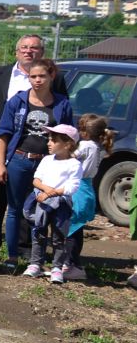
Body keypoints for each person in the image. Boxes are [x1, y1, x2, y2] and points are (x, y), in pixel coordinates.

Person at [0, 35, 63, 255]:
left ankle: (23, 245)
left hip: (34, 149)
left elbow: (61, 113)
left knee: (27, 198)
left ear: (41, 53)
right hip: (0, 144)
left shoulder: (53, 79)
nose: (28, 51)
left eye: (34, 48)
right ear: (17, 52)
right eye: (24, 48)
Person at [0, 58, 74, 267]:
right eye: (33, 76)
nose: (37, 80)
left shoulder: (62, 104)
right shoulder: (17, 101)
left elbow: (68, 137)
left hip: (49, 165)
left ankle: (36, 259)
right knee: (14, 208)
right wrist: (0, 164)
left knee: (44, 209)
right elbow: (3, 133)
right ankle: (12, 256)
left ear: (51, 76)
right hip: (20, 160)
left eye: (42, 76)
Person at [23, 125, 83, 282]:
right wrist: (45, 190)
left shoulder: (74, 164)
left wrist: (51, 193)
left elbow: (72, 186)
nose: (49, 142)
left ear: (68, 144)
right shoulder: (47, 159)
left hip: (61, 205)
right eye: (49, 139)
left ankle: (57, 267)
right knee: (38, 232)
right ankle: (35, 264)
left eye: (54, 140)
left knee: (59, 235)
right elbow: (36, 179)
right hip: (42, 202)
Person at [64, 114, 117, 282]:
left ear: (85, 132)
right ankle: (73, 264)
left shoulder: (85, 145)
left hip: (78, 189)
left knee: (70, 228)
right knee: (76, 229)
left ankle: (72, 265)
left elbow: (69, 158)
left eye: (80, 128)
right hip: (87, 189)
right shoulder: (97, 146)